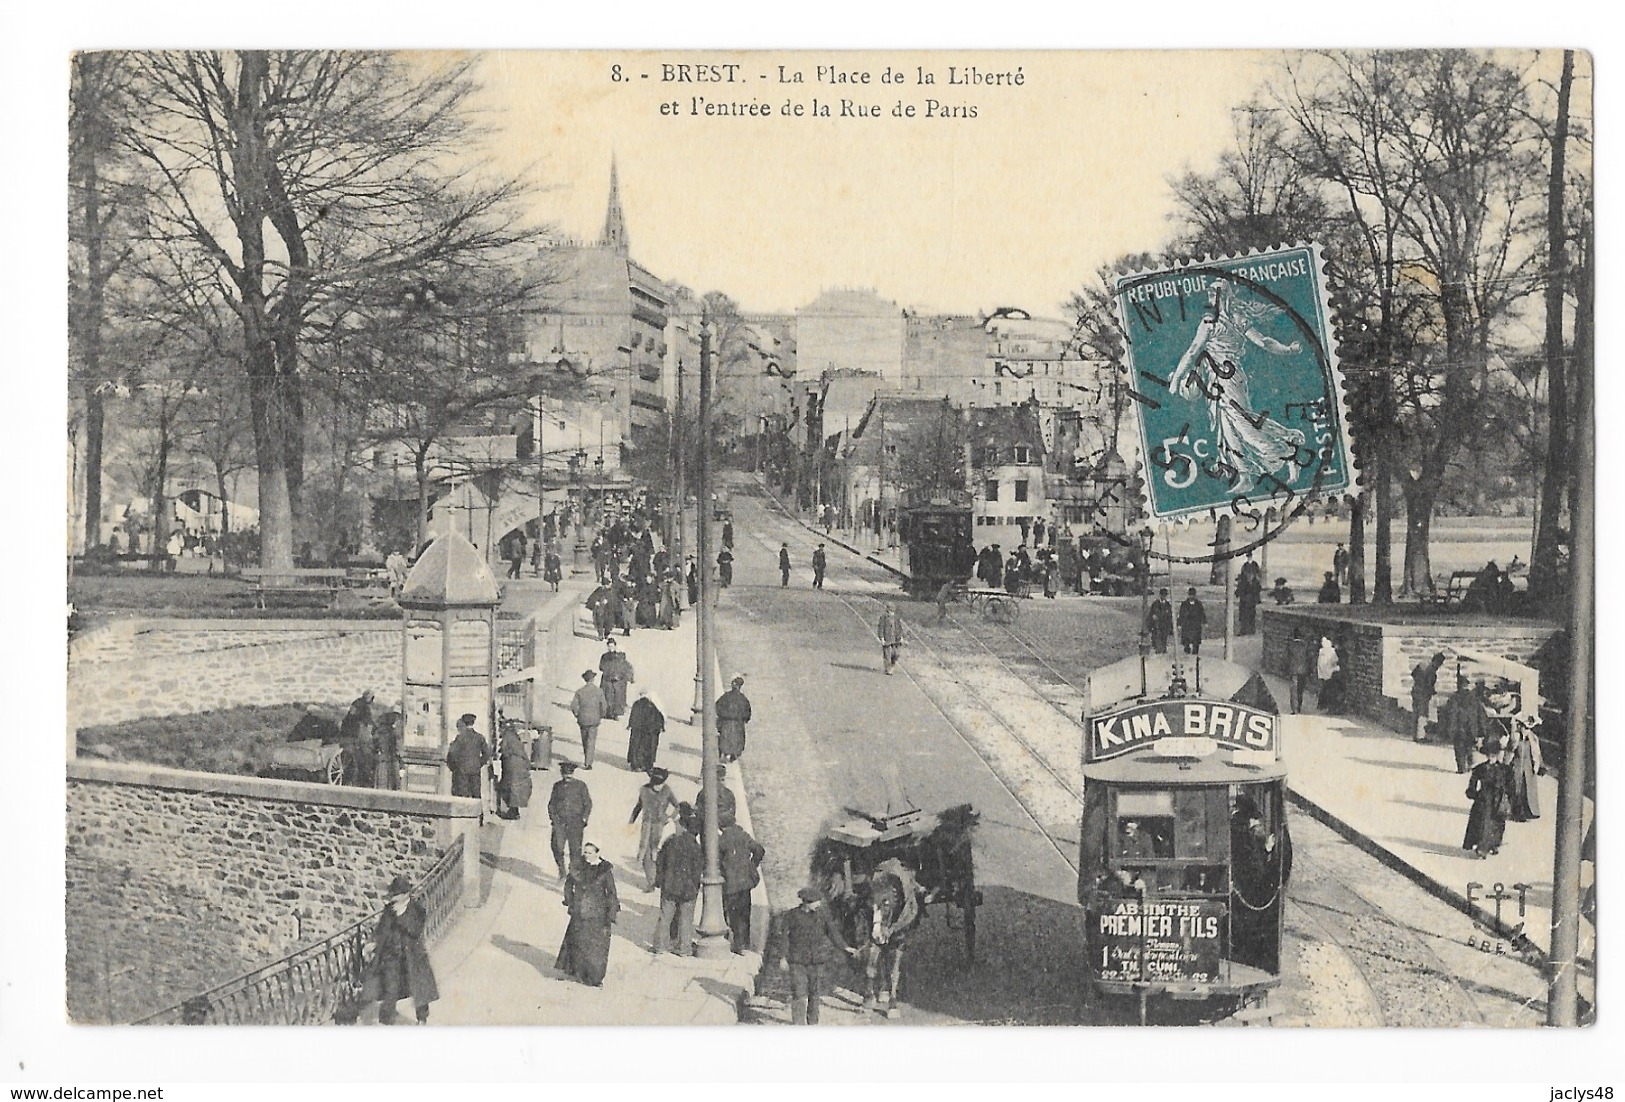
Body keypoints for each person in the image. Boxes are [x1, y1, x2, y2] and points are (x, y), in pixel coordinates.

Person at [1167, 276, 1308, 497]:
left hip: (1230, 377)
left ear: (1224, 297)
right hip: (1217, 379)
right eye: (1209, 295)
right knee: (1228, 426)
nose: (1210, 299)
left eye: (1214, 294)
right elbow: (1194, 350)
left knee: (1244, 425)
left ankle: (1288, 452)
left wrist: (1287, 349)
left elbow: (1262, 341)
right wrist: (1177, 378)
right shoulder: (1214, 321)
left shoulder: (1227, 320)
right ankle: (1245, 477)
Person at [774, 886, 857, 1025]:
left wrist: (845, 947)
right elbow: (784, 938)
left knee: (814, 992)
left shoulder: (822, 915)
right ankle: (799, 1024)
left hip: (816, 960)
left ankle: (813, 1023)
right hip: (797, 961)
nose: (819, 904)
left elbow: (832, 932)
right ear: (807, 902)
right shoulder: (791, 916)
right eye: (816, 902)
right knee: (799, 992)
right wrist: (782, 957)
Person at [367, 875, 439, 1024]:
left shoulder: (418, 910)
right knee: (390, 988)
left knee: (418, 988)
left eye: (396, 895)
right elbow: (382, 929)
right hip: (392, 955)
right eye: (392, 895)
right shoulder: (389, 909)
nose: (393, 899)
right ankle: (386, 1021)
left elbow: (415, 930)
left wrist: (401, 916)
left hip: (412, 955)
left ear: (405, 895)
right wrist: (373, 942)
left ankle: (422, 1018)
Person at [556, 843, 619, 987]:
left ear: (597, 853)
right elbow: (568, 886)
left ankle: (594, 977)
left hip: (598, 913)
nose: (587, 855)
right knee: (578, 943)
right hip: (580, 911)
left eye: (590, 853)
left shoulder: (605, 870)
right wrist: (571, 902)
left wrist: (611, 913)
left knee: (596, 948)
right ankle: (578, 972)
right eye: (585, 852)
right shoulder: (578, 867)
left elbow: (611, 892)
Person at [652, 806, 702, 954]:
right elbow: (698, 869)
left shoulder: (671, 842)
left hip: (669, 887)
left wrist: (659, 881)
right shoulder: (695, 847)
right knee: (686, 919)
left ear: (684, 827)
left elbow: (660, 862)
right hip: (688, 889)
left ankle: (660, 947)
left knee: (665, 917)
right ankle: (684, 948)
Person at [719, 819, 765, 954]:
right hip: (745, 883)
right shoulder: (743, 836)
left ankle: (731, 942)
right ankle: (743, 944)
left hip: (730, 883)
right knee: (744, 913)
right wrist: (752, 865)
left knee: (731, 913)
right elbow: (759, 850)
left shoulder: (722, 839)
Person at [629, 768, 679, 891]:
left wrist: (670, 818)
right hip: (647, 824)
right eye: (656, 784)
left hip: (661, 826)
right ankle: (650, 882)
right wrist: (631, 822)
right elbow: (638, 806)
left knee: (658, 852)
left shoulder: (667, 790)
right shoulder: (644, 790)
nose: (658, 787)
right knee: (645, 853)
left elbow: (677, 806)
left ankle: (660, 879)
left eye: (660, 784)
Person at [1462, 749, 1512, 859]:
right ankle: (1482, 848)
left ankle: (1493, 844)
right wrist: (1474, 793)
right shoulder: (1480, 768)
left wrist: (1508, 798)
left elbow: (1510, 785)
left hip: (1498, 800)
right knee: (1483, 824)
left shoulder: (1504, 769)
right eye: (1490, 755)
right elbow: (1472, 783)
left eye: (1494, 755)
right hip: (1484, 798)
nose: (1491, 757)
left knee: (1497, 824)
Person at [548, 761, 593, 878]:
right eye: (565, 774)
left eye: (569, 774)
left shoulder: (581, 786)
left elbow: (588, 803)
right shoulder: (557, 786)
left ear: (573, 774)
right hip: (560, 822)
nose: (567, 776)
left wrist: (584, 819)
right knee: (556, 846)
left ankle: (573, 873)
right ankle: (561, 870)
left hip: (575, 822)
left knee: (575, 850)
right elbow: (551, 804)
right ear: (561, 773)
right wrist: (554, 818)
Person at [1439, 676, 1492, 774]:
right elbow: (1481, 714)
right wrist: (1482, 730)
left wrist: (1447, 728)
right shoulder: (1474, 698)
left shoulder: (1454, 698)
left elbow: (1449, 714)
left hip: (1458, 727)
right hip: (1471, 727)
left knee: (1459, 749)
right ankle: (1469, 764)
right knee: (1469, 747)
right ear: (1467, 685)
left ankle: (1461, 768)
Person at [1506, 718, 1544, 822]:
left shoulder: (1533, 739)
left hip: (1528, 768)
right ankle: (1517, 814)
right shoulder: (1516, 737)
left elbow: (1537, 753)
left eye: (1528, 728)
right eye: (1524, 727)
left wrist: (1539, 765)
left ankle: (1529, 813)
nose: (1525, 730)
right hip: (1517, 767)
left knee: (1527, 792)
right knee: (1516, 790)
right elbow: (1510, 749)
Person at [445, 713, 489, 801]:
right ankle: (477, 814)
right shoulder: (480, 737)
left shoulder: (460, 737)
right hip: (475, 770)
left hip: (462, 771)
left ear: (464, 723)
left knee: (462, 796)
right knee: (476, 795)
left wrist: (454, 767)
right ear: (473, 723)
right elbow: (486, 754)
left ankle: (463, 814)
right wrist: (478, 763)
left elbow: (452, 754)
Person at [495, 719, 532, 821]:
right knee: (515, 788)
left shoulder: (508, 735)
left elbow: (504, 749)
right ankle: (514, 811)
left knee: (511, 788)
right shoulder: (515, 736)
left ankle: (513, 812)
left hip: (513, 766)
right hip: (519, 766)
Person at [569, 669, 606, 768]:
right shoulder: (599, 691)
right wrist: (601, 715)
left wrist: (577, 714)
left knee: (585, 740)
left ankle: (587, 758)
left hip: (583, 720)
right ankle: (588, 762)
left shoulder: (579, 692)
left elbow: (573, 706)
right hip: (594, 720)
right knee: (591, 741)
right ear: (593, 679)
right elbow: (604, 706)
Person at [1410, 652, 1446, 743]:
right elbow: (1429, 685)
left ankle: (1415, 735)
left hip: (1415, 691)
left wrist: (1418, 683)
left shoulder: (1422, 664)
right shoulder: (1431, 671)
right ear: (1437, 662)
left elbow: (1413, 674)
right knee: (1423, 714)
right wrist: (1433, 692)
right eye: (1440, 663)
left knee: (1416, 713)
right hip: (1423, 694)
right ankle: (1420, 737)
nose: (1439, 666)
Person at [716, 675, 753, 763]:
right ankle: (731, 756)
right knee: (736, 741)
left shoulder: (726, 696)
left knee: (725, 740)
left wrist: (721, 717)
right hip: (737, 724)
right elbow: (747, 714)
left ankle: (725, 754)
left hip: (726, 723)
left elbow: (717, 706)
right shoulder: (743, 699)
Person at [598, 639, 634, 721]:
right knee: (607, 696)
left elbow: (625, 666)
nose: (610, 648)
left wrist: (627, 676)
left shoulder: (620, 656)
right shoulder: (604, 656)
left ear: (615, 646)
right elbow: (601, 666)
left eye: (612, 646)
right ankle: (607, 713)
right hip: (607, 679)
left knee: (618, 697)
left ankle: (616, 713)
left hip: (618, 680)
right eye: (609, 646)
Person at [1287, 629, 1315, 714]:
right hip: (1303, 671)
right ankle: (1299, 706)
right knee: (1300, 690)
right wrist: (1309, 670)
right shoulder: (1305, 646)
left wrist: (1286, 668)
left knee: (1294, 689)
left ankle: (1294, 709)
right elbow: (1310, 659)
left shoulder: (1291, 646)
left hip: (1293, 670)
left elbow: (1286, 658)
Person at [877, 603, 905, 675]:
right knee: (887, 655)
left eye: (892, 611)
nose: (891, 613)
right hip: (887, 639)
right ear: (887, 610)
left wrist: (901, 637)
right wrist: (882, 638)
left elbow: (899, 628)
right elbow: (880, 628)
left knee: (896, 654)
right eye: (890, 611)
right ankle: (888, 669)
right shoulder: (883, 618)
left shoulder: (896, 618)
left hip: (896, 639)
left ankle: (892, 665)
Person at [1177, 587, 1206, 656]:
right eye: (1190, 595)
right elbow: (1181, 614)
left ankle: (1195, 652)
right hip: (1187, 625)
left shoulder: (1198, 604)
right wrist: (1179, 624)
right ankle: (1186, 650)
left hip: (1196, 625)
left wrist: (1204, 622)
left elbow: (1202, 613)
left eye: (1193, 595)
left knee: (1196, 639)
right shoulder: (1184, 604)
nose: (1191, 596)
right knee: (1186, 638)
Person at [1147, 588, 1174, 654]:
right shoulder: (1155, 604)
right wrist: (1152, 617)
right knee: (1157, 636)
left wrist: (1171, 626)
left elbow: (1170, 616)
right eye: (1162, 595)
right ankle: (1158, 649)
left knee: (1164, 637)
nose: (1163, 597)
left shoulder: (1168, 605)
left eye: (1165, 595)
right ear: (1160, 595)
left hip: (1165, 624)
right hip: (1157, 624)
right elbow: (1151, 613)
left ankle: (1164, 649)